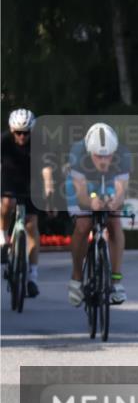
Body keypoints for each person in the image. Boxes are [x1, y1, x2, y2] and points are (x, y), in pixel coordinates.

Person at [67, 123, 131, 306]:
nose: (103, 161)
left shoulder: (123, 155)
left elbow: (120, 191)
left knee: (115, 221)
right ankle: (77, 278)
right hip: (83, 183)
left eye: (108, 156)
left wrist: (114, 202)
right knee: (83, 225)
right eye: (98, 156)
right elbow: (80, 193)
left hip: (109, 181)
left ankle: (116, 282)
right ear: (89, 152)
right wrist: (90, 202)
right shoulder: (77, 154)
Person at [1, 109, 55, 298]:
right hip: (9, 181)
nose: (22, 136)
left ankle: (32, 277)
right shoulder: (4, 141)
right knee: (7, 203)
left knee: (32, 226)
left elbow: (47, 169)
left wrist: (49, 192)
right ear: (11, 130)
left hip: (32, 184)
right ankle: (2, 238)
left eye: (26, 132)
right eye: (18, 132)